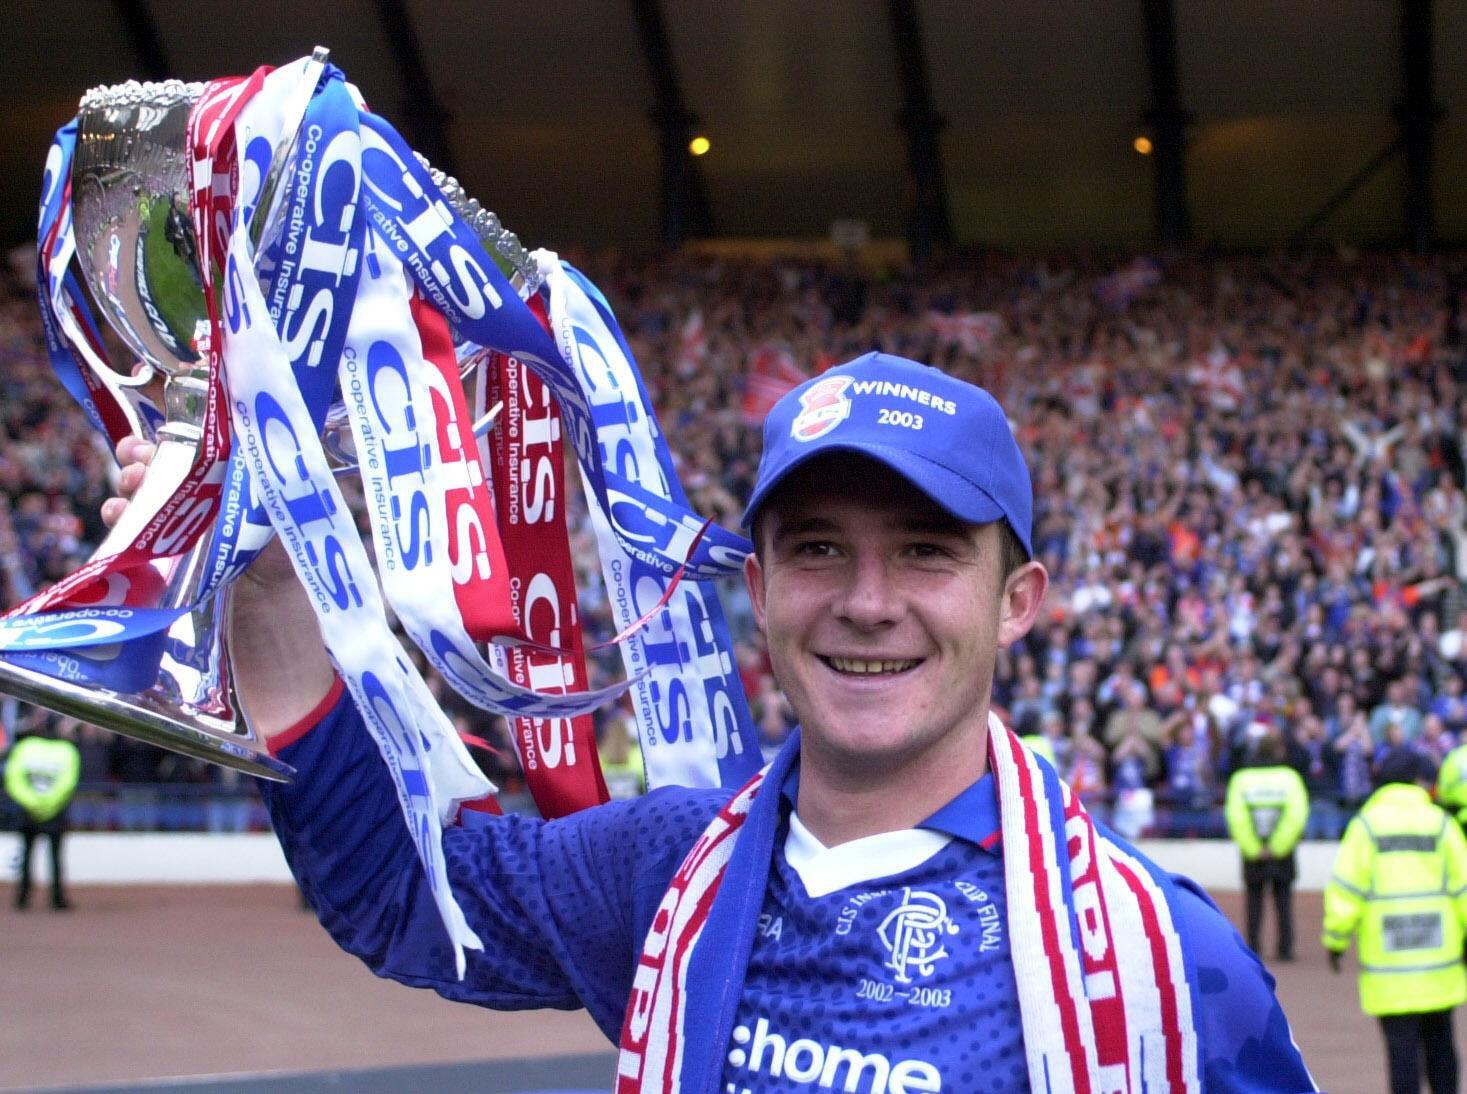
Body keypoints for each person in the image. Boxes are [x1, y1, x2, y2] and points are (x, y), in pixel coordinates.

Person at [107, 352, 1315, 1092]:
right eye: (820, 547)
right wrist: (264, 591)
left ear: (1020, 603)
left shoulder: (1165, 960)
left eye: (928, 553)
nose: (869, 600)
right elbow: (406, 897)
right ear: (763, 581)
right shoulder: (662, 868)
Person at [1324, 747, 1467, 1094]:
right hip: (1439, 964)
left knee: (1401, 1051)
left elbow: (1346, 887)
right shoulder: (1441, 823)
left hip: (1390, 970)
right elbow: (1463, 885)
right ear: (1418, 781)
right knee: (1441, 1044)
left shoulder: (1365, 827)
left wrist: (1336, 939)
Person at [1224, 735, 1308, 962]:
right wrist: (1278, 846)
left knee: (1253, 900)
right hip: (1283, 852)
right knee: (1283, 899)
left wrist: (1254, 848)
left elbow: (1236, 816)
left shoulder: (1241, 779)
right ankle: (1285, 947)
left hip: (1253, 852)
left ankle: (1253, 946)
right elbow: (1296, 815)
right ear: (1279, 751)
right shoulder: (1290, 778)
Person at [3, 721, 80, 911]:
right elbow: (67, 783)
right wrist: (48, 804)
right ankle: (57, 898)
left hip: (28, 812)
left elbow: (13, 778)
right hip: (54, 813)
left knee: (27, 856)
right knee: (55, 858)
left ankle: (22, 897)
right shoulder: (67, 750)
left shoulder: (25, 748)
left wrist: (31, 802)